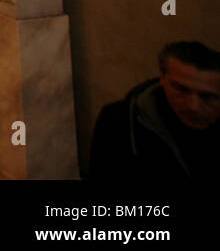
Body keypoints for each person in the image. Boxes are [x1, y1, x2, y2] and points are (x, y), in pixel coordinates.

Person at [89, 41, 220, 178]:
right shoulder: (119, 121)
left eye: (208, 97)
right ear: (162, 78)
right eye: (181, 90)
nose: (193, 106)